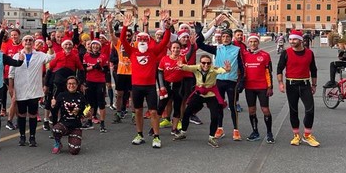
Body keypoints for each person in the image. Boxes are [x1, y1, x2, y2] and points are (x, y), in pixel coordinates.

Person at [117, 11, 172, 149]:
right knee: (138, 111)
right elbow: (123, 40)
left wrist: (167, 27)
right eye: (139, 39)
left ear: (149, 41)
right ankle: (139, 134)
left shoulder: (153, 52)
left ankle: (156, 136)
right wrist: (124, 27)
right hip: (136, 86)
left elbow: (165, 41)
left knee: (153, 112)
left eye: (144, 39)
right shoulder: (132, 51)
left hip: (150, 86)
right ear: (136, 41)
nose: (142, 41)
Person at [196, 23, 244, 141]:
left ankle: (236, 130)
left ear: (231, 37)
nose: (225, 38)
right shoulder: (217, 48)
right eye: (223, 37)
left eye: (228, 36)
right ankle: (220, 128)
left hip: (231, 81)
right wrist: (199, 33)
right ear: (221, 38)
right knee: (219, 106)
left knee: (233, 107)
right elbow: (199, 44)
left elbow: (242, 68)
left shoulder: (237, 50)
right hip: (218, 81)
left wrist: (242, 82)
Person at [174, 57, 232, 148]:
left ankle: (211, 137)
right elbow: (187, 67)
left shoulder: (213, 69)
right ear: (200, 63)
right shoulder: (197, 67)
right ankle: (183, 132)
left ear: (211, 63)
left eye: (208, 63)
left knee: (215, 116)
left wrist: (227, 69)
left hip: (211, 94)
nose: (206, 65)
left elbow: (221, 70)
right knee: (187, 112)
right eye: (204, 63)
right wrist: (181, 66)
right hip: (199, 94)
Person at [8, 34, 54, 146]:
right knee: (22, 114)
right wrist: (11, 88)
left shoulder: (39, 55)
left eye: (30, 40)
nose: (28, 41)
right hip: (20, 90)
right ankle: (22, 136)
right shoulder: (16, 56)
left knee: (33, 115)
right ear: (22, 43)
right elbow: (11, 74)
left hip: (34, 91)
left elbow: (51, 57)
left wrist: (50, 46)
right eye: (26, 40)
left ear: (33, 43)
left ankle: (32, 137)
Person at [276, 30, 319, 147]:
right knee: (293, 110)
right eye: (290, 39)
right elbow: (279, 68)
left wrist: (314, 85)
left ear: (300, 40)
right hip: (291, 84)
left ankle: (307, 135)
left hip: (305, 84)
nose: (291, 41)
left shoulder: (309, 53)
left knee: (310, 110)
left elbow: (314, 70)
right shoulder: (286, 53)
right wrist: (280, 83)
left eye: (294, 39)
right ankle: (296, 135)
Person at [240, 34, 275, 143]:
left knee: (265, 109)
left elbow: (268, 72)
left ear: (258, 43)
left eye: (255, 42)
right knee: (251, 110)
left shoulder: (265, 55)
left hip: (262, 87)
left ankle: (269, 133)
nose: (253, 44)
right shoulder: (244, 55)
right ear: (248, 43)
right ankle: (255, 132)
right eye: (251, 42)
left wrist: (270, 86)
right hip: (249, 87)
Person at [50, 76, 88, 155]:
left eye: (74, 84)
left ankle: (72, 138)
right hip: (64, 123)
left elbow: (87, 109)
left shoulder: (81, 96)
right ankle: (58, 143)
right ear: (66, 85)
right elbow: (54, 111)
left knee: (74, 151)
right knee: (56, 129)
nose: (71, 86)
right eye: (69, 84)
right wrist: (53, 105)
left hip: (76, 125)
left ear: (77, 85)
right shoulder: (61, 95)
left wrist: (86, 114)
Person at [81, 39, 108, 133]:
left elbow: (106, 70)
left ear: (100, 47)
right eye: (93, 45)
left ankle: (102, 123)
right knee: (89, 103)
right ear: (91, 47)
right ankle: (89, 121)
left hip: (100, 82)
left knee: (101, 103)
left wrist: (100, 68)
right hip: (89, 81)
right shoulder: (86, 56)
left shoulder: (103, 56)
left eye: (97, 45)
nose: (95, 47)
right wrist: (93, 67)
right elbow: (84, 69)